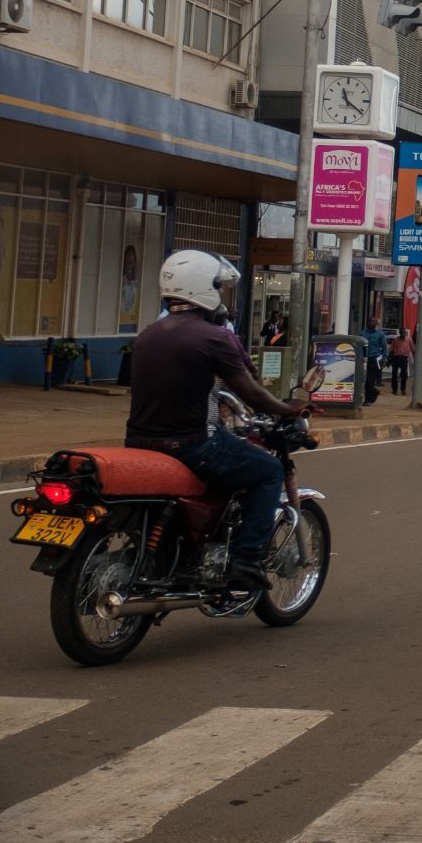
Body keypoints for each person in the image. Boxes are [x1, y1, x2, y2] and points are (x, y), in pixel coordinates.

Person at [125, 252, 310, 592]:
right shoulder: (214, 336)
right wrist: (292, 408)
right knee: (268, 471)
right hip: (194, 445)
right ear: (203, 288)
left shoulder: (149, 334)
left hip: (139, 443)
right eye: (218, 288)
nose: (222, 297)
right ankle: (246, 560)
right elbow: (253, 394)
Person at [386, 327, 419, 408]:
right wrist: (388, 359)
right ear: (400, 333)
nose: (403, 334)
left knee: (404, 375)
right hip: (396, 358)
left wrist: (415, 360)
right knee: (394, 375)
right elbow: (391, 350)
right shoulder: (396, 340)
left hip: (404, 358)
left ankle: (403, 389)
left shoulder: (409, 340)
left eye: (405, 333)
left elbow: (413, 350)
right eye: (402, 332)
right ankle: (394, 390)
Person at [361, 319, 387, 406]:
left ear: (376, 324)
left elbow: (384, 347)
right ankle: (374, 391)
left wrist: (384, 359)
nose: (371, 323)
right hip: (364, 359)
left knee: (370, 380)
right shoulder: (363, 333)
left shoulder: (380, 334)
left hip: (375, 358)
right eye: (369, 321)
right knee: (364, 379)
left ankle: (367, 400)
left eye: (373, 322)